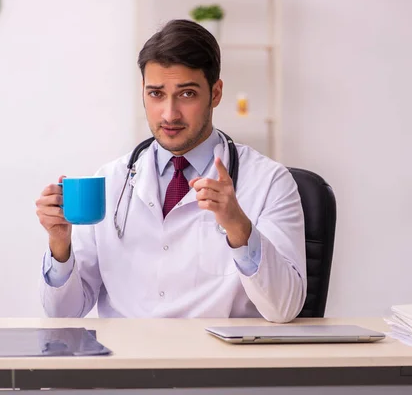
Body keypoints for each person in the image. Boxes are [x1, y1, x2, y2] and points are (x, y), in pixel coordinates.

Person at [35, 19, 306, 323]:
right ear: (143, 92)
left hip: (218, 364)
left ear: (215, 94)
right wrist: (60, 246)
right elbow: (63, 314)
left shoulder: (269, 182)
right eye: (156, 94)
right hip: (125, 361)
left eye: (187, 94)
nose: (169, 114)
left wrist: (239, 228)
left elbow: (285, 309)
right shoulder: (111, 180)